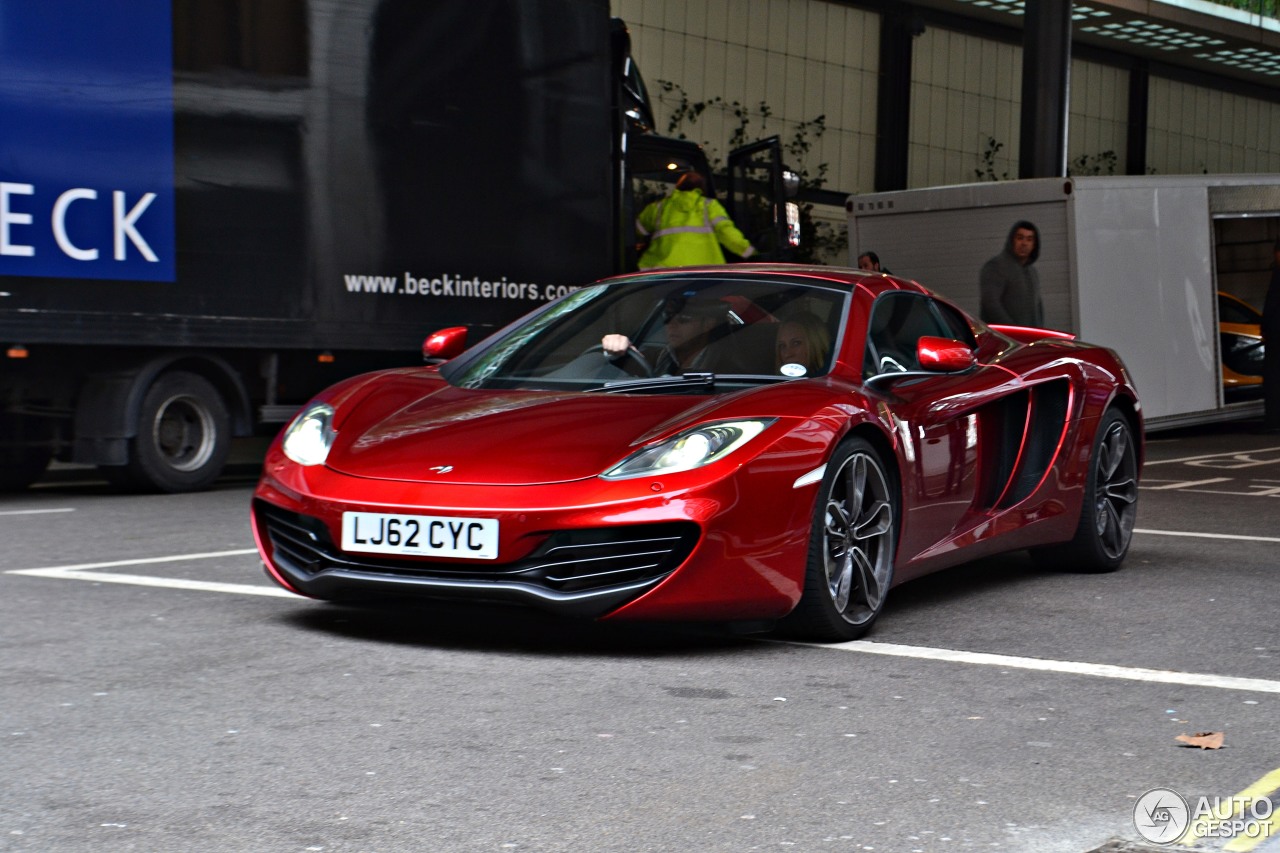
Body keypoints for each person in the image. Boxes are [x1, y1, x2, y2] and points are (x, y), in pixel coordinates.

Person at [635, 172, 756, 270]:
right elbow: (727, 233)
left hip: (663, 272)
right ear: (701, 188)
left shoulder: (658, 207)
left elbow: (637, 230)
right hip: (702, 274)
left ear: (678, 187)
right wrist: (751, 253)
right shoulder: (709, 205)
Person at [601, 295, 727, 375]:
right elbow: (620, 373)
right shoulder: (652, 358)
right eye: (667, 319)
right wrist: (616, 350)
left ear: (708, 324)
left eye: (683, 319)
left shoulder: (729, 365)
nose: (671, 325)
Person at [979, 220, 1044, 328]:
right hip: (1004, 341)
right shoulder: (995, 267)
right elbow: (990, 304)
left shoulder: (1032, 272)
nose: (1024, 243)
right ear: (1011, 240)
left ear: (1034, 245)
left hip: (1029, 340)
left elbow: (1038, 306)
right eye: (1020, 238)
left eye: (1029, 239)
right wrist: (1014, 332)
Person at [1263, 239, 1280, 432]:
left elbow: (1272, 303)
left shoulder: (1278, 274)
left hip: (1276, 334)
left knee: (1273, 378)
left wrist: (1264, 326)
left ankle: (1273, 421)